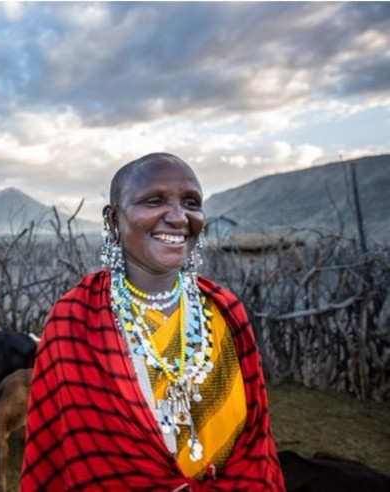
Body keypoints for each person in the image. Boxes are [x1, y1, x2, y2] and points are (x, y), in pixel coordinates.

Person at [20, 153, 285, 491]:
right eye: (154, 200)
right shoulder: (75, 318)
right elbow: (67, 451)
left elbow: (256, 439)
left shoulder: (225, 310)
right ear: (113, 220)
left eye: (191, 202)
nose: (178, 217)